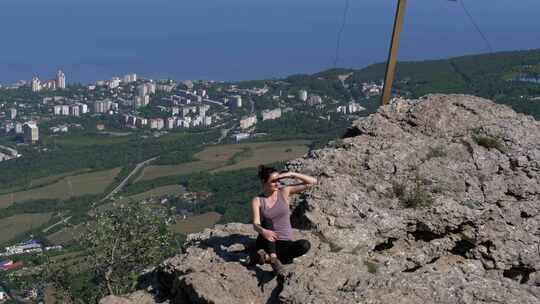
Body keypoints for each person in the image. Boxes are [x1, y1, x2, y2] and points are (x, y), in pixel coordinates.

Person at [250, 165, 317, 274]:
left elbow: (312, 182)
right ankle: (273, 257)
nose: (277, 183)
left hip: (285, 242)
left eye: (279, 180)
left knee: (305, 245)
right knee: (267, 221)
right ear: (264, 182)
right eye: (273, 181)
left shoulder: (284, 191)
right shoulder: (257, 200)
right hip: (266, 240)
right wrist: (264, 231)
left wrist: (292, 174)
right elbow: (255, 224)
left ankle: (266, 257)